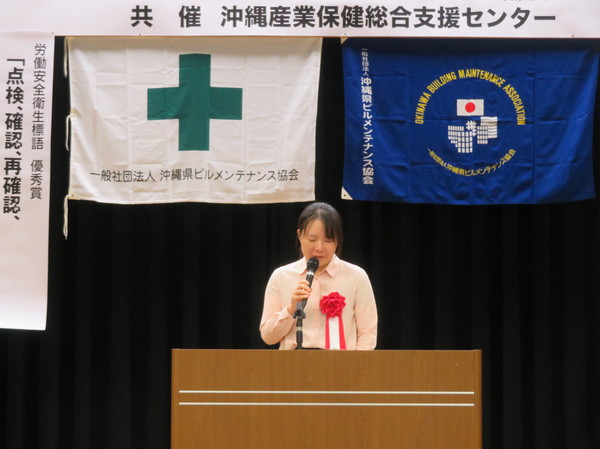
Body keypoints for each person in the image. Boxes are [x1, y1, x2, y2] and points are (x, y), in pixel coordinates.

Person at [260, 202, 377, 350]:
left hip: (340, 362)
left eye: (328, 240)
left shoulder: (356, 276)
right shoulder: (281, 276)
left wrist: (354, 364)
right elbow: (268, 337)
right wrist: (290, 309)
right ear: (299, 235)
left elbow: (367, 335)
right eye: (312, 239)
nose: (319, 248)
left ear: (338, 240)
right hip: (292, 362)